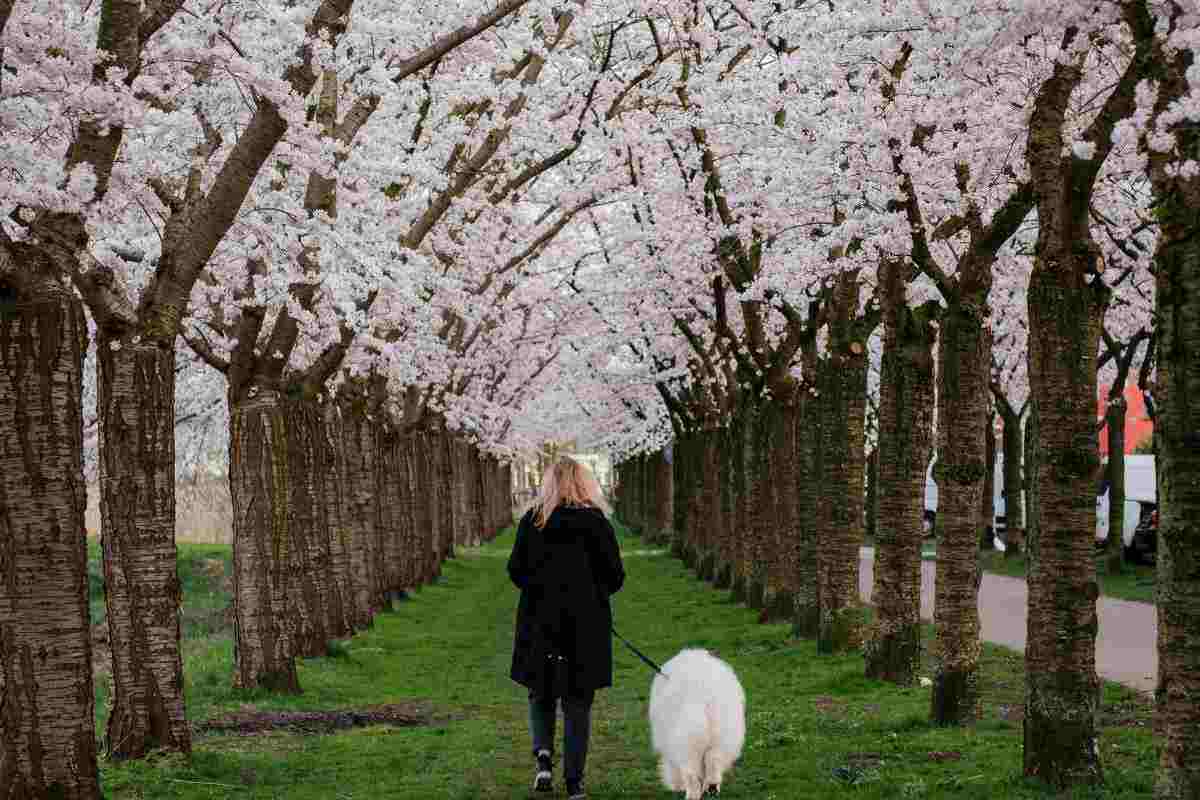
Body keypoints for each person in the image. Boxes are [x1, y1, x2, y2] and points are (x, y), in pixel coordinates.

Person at [507, 457, 625, 800]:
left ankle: (544, 757)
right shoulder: (595, 522)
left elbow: (516, 569)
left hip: (539, 620)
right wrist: (592, 593)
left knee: (540, 690)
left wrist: (538, 589)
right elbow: (615, 575)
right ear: (583, 483)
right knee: (577, 702)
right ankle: (575, 782)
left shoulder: (533, 520)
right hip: (584, 624)